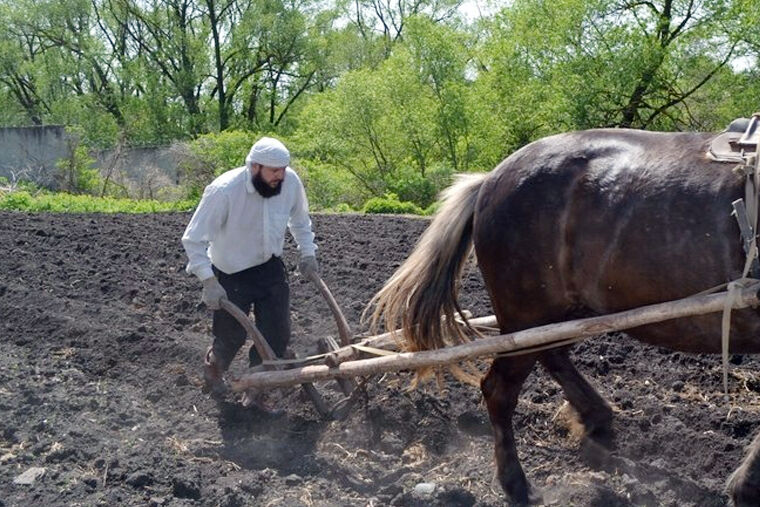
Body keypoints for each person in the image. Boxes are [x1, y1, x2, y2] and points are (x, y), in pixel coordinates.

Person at [181, 136, 318, 407]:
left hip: (270, 267)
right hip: (231, 272)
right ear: (254, 167)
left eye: (283, 169)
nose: (281, 176)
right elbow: (193, 239)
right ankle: (214, 370)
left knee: (276, 333)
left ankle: (258, 388)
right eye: (274, 171)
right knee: (231, 336)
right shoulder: (224, 191)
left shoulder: (289, 182)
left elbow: (300, 220)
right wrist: (208, 281)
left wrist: (308, 252)